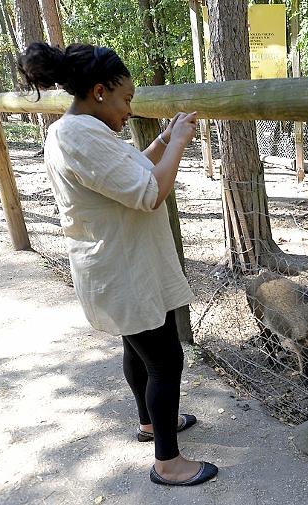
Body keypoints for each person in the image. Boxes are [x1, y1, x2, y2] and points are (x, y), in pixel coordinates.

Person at [17, 42, 217, 487]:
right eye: (127, 99)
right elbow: (148, 193)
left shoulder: (77, 130)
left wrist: (163, 140)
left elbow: (128, 179)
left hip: (119, 263)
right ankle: (168, 464)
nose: (130, 109)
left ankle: (150, 423)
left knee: (137, 348)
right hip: (125, 267)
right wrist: (180, 144)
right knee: (166, 362)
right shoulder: (81, 136)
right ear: (101, 90)